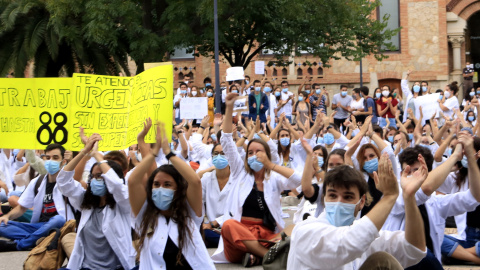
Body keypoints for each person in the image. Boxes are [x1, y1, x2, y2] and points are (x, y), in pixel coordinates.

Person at [287, 153, 428, 269]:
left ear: (361, 202)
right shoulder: (305, 230)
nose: (338, 202)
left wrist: (409, 198)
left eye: (348, 197)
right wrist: (390, 197)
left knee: (383, 261)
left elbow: (414, 249)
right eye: (332, 195)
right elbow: (347, 244)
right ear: (324, 198)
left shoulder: (365, 235)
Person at [212, 92, 302, 266]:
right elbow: (227, 141)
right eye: (250, 152)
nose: (254, 155)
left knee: (295, 228)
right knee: (228, 225)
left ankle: (255, 256)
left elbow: (297, 181)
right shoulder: (240, 172)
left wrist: (271, 165)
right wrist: (229, 107)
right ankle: (269, 256)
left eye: (258, 151)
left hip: (267, 235)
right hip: (241, 235)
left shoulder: (273, 177)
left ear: (267, 154)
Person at [129, 121, 215, 269]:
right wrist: (148, 149)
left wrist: (169, 152)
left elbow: (194, 181)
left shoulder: (190, 214)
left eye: (167, 185)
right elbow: (132, 181)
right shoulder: (144, 216)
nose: (160, 189)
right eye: (156, 185)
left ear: (179, 189)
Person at [57, 134, 135, 270]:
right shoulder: (86, 203)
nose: (95, 180)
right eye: (93, 177)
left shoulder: (123, 204)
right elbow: (63, 182)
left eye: (100, 176)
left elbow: (117, 186)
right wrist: (84, 152)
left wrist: (97, 155)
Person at [0, 144, 71, 251]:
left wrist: (72, 162)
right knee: (1, 225)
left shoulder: (68, 182)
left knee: (58, 219)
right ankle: (39, 239)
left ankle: (19, 245)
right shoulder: (38, 181)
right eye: (48, 158)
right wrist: (7, 217)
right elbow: (22, 207)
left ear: (63, 162)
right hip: (38, 226)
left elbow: (76, 177)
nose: (51, 161)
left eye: (55, 158)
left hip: (59, 226)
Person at [200, 143, 233, 248]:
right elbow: (199, 203)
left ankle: (231, 243)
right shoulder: (206, 178)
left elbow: (236, 210)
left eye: (223, 154)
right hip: (211, 230)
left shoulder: (237, 179)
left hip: (232, 226)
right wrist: (202, 224)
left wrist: (214, 223)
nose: (219, 157)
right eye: (216, 153)